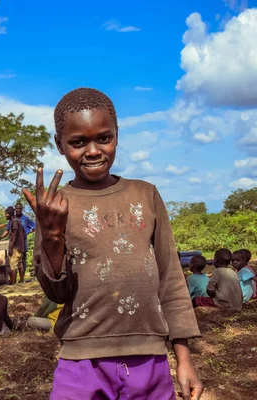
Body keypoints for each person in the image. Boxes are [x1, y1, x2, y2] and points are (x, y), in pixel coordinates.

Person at [24, 88, 203, 400]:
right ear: (59, 144)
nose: (93, 151)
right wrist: (52, 234)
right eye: (78, 142)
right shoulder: (53, 206)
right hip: (81, 358)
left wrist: (183, 359)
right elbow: (56, 293)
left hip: (150, 357)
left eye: (103, 138)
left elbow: (172, 281)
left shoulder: (146, 195)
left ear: (117, 135)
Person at [0, 204, 36, 282]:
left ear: (22, 209)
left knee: (18, 262)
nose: (18, 210)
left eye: (20, 209)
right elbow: (7, 231)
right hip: (18, 243)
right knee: (20, 263)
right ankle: (20, 280)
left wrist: (26, 233)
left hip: (20, 243)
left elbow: (34, 226)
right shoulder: (13, 220)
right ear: (15, 210)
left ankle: (17, 281)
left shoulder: (23, 220)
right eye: (17, 209)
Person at [4, 206, 25, 285]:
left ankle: (13, 282)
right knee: (20, 265)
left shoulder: (15, 222)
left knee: (13, 265)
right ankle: (22, 281)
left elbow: (15, 236)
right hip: (20, 247)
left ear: (9, 214)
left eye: (6, 214)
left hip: (16, 247)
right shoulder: (17, 221)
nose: (5, 215)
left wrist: (11, 247)